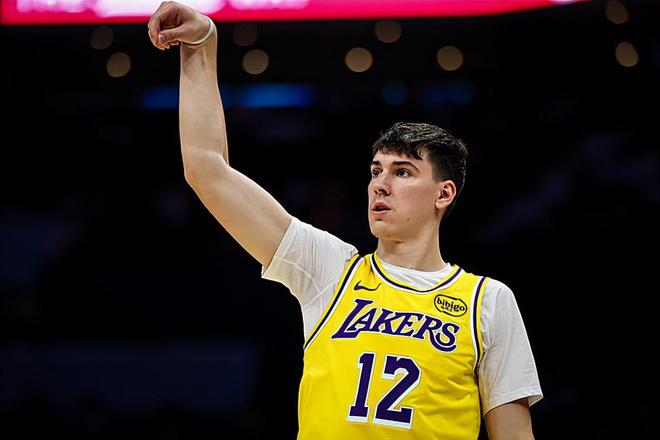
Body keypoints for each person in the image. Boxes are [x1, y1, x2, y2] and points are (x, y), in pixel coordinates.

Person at [147, 2, 542, 439]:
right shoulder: (330, 270)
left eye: (403, 172)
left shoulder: (488, 301)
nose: (380, 185)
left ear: (443, 193)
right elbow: (207, 169)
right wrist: (202, 44)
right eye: (376, 171)